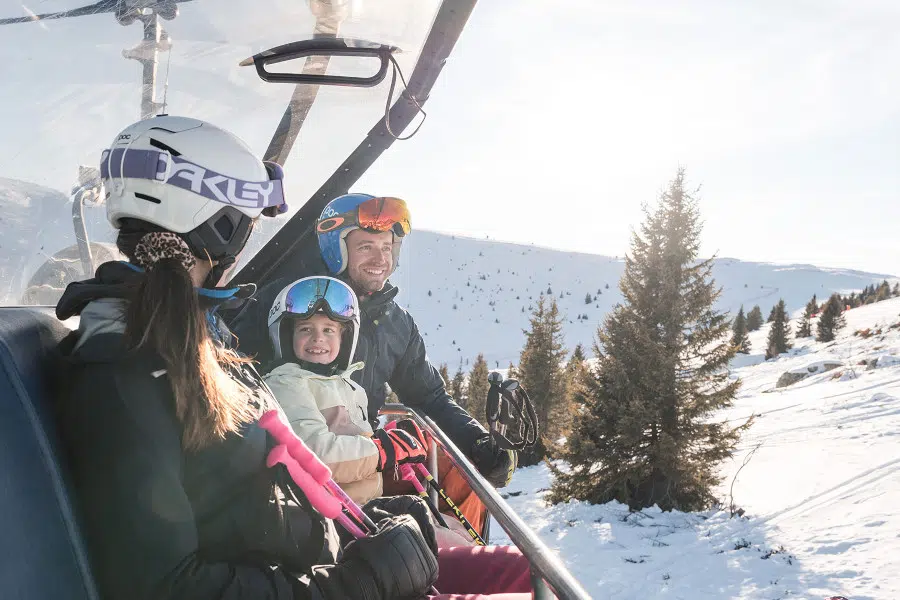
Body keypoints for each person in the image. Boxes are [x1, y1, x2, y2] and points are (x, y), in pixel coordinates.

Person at [54, 115, 532, 599]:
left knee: (523, 573)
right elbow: (162, 584)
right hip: (317, 578)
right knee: (531, 586)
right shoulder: (127, 373)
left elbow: (255, 477)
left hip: (324, 541)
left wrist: (362, 522)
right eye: (245, 219)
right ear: (217, 224)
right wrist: (350, 583)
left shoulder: (191, 336)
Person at [232, 195, 517, 532]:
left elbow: (429, 397)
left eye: (387, 247)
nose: (380, 259)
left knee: (451, 491)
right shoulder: (287, 303)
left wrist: (476, 442)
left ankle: (463, 559)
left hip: (364, 460)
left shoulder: (395, 323)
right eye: (366, 247)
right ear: (336, 248)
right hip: (288, 471)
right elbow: (232, 370)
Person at [263, 275, 476, 546]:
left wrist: (389, 440)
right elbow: (317, 455)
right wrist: (384, 449)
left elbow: (354, 439)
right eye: (306, 329)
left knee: (458, 530)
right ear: (286, 334)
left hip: (365, 505)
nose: (318, 339)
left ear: (345, 338)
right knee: (458, 546)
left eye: (329, 330)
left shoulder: (345, 384)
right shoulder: (286, 383)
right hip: (336, 519)